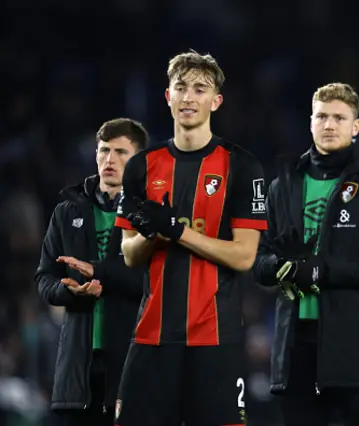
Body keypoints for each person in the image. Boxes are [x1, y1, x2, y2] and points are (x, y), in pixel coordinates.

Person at [114, 51, 267, 426]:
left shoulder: (242, 166)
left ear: (215, 101)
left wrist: (177, 231)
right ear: (167, 96)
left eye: (200, 89)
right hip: (152, 335)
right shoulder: (140, 167)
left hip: (216, 339)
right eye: (180, 88)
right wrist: (151, 233)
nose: (188, 97)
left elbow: (245, 257)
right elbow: (130, 255)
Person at [253, 82, 359, 426]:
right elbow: (257, 261)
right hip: (295, 349)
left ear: (355, 127)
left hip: (355, 349)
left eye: (339, 118)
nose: (329, 125)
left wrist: (320, 270)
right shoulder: (282, 185)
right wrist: (281, 268)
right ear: (310, 122)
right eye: (322, 116)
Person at [35, 118, 148, 426]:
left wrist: (100, 274)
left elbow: (153, 280)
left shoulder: (149, 216)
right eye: (104, 150)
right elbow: (44, 278)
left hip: (131, 361)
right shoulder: (67, 211)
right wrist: (65, 290)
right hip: (78, 366)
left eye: (121, 152)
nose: (109, 160)